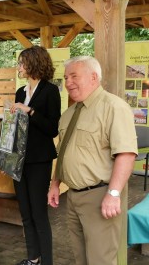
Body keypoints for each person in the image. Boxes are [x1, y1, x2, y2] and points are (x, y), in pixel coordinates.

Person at [48, 56, 137, 265]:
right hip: (74, 197)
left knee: (101, 260)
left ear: (93, 77)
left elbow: (126, 154)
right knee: (81, 258)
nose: (68, 82)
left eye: (74, 76)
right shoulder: (69, 114)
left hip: (101, 196)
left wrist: (114, 194)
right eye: (66, 77)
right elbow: (63, 154)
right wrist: (55, 183)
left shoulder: (114, 107)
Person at [9, 46, 61, 265]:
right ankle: (33, 258)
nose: (19, 67)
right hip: (18, 160)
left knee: (39, 213)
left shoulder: (50, 91)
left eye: (22, 63)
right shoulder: (20, 91)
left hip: (39, 160)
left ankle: (47, 261)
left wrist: (30, 111)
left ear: (33, 63)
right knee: (25, 212)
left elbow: (52, 129)